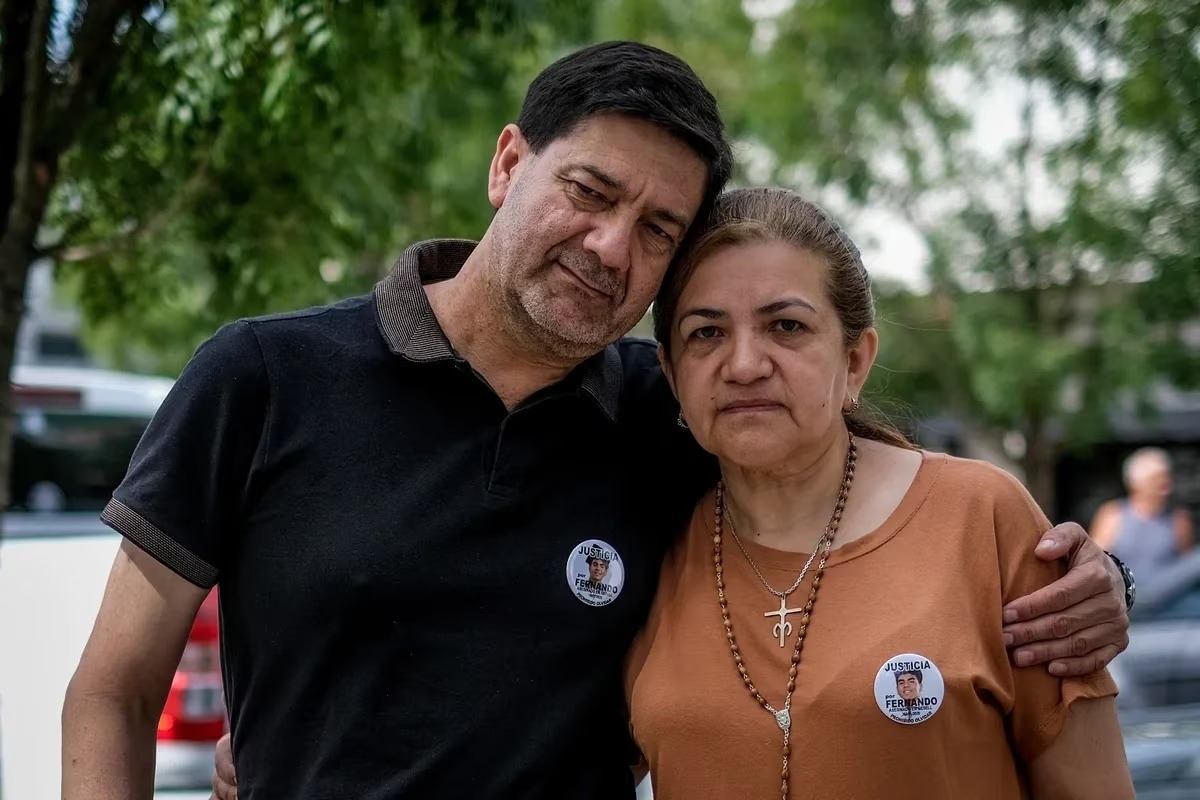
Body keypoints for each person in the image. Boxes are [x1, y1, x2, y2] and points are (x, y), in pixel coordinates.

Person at [60, 42, 1129, 800]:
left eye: (658, 226)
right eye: (589, 190)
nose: (613, 246)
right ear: (508, 163)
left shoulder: (666, 411)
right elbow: (113, 689)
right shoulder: (260, 374)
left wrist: (1083, 580)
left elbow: (853, 485)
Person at [625, 187, 1134, 798]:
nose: (743, 364)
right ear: (671, 372)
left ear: (856, 360)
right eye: (706, 333)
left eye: (785, 326)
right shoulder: (648, 539)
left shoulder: (980, 518)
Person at [1090, 447, 1195, 587]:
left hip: (1167, 600)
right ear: (1135, 483)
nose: (1166, 486)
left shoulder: (1179, 519)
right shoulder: (1113, 514)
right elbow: (1095, 560)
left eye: (1166, 478)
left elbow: (1187, 569)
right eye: (1156, 479)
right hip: (1123, 598)